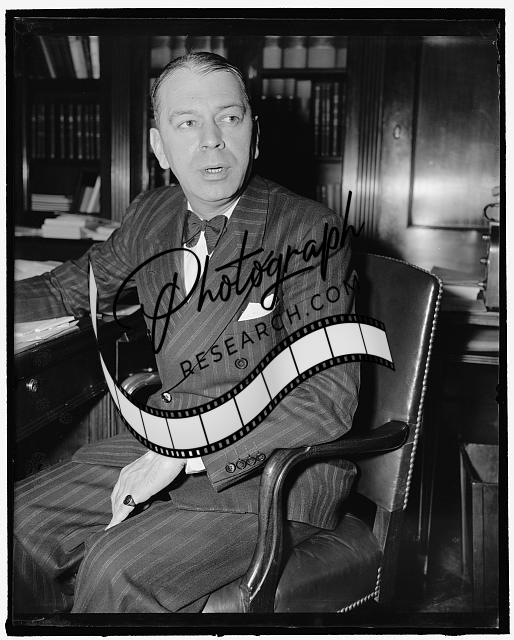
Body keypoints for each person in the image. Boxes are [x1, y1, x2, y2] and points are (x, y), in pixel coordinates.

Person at [13, 52, 360, 614]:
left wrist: (186, 452)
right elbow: (68, 288)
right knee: (15, 522)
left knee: (114, 569)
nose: (212, 140)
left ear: (254, 133)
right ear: (159, 147)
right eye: (187, 122)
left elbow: (326, 402)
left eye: (229, 118)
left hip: (272, 470)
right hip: (164, 438)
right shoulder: (152, 213)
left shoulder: (308, 230)